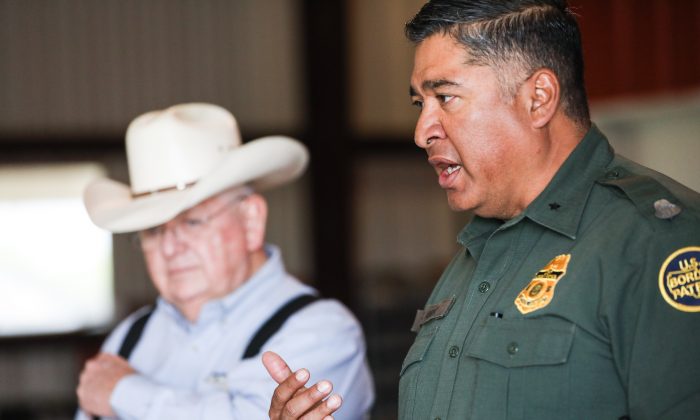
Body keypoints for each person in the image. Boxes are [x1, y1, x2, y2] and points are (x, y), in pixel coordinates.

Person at [263, 0, 700, 419]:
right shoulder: (478, 251)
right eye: (420, 104)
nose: (422, 132)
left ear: (539, 98)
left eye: (446, 98)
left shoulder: (656, 242)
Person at [76, 103, 374, 419]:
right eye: (153, 230)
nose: (170, 248)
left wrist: (122, 393)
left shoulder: (322, 331)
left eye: (192, 222)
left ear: (251, 220)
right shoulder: (129, 336)